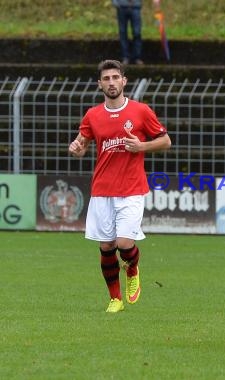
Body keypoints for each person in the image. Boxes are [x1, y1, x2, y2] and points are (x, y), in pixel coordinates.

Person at [68, 59, 171, 312]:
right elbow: (82, 143)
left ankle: (133, 267)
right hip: (102, 189)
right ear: (99, 84)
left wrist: (142, 146)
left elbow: (166, 141)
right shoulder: (93, 115)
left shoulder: (141, 111)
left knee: (124, 244)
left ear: (124, 81)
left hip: (132, 189)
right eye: (107, 79)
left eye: (116, 77)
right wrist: (76, 148)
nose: (112, 82)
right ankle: (115, 299)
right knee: (106, 246)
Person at [112, 0, 160, 65]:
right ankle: (125, 57)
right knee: (123, 32)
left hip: (135, 6)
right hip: (122, 6)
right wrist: (115, 2)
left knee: (137, 33)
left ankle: (137, 57)